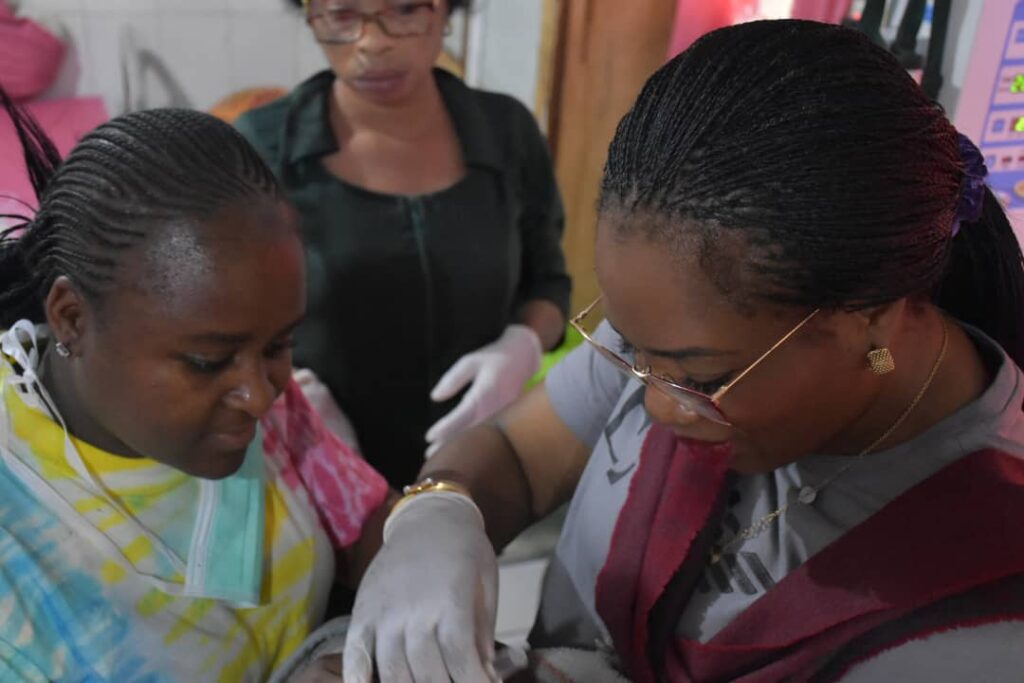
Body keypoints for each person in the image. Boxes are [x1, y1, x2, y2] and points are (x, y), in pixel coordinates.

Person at [340, 20, 1024, 683]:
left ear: (872, 316)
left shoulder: (983, 609)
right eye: (631, 348)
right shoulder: (681, 327)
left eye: (702, 378)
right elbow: (520, 454)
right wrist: (439, 511)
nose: (656, 403)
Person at [0, 91, 394, 681]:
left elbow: (363, 527)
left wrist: (417, 550)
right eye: (208, 361)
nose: (260, 396)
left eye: (279, 346)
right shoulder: (21, 517)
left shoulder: (260, 398)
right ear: (73, 319)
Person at [236, 0, 571, 487]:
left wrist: (523, 344)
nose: (373, 42)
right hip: (316, 470)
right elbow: (230, 317)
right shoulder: (263, 148)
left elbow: (549, 281)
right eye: (343, 15)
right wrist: (290, 392)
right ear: (311, 16)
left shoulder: (507, 132)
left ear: (446, 13)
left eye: (406, 9)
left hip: (475, 464)